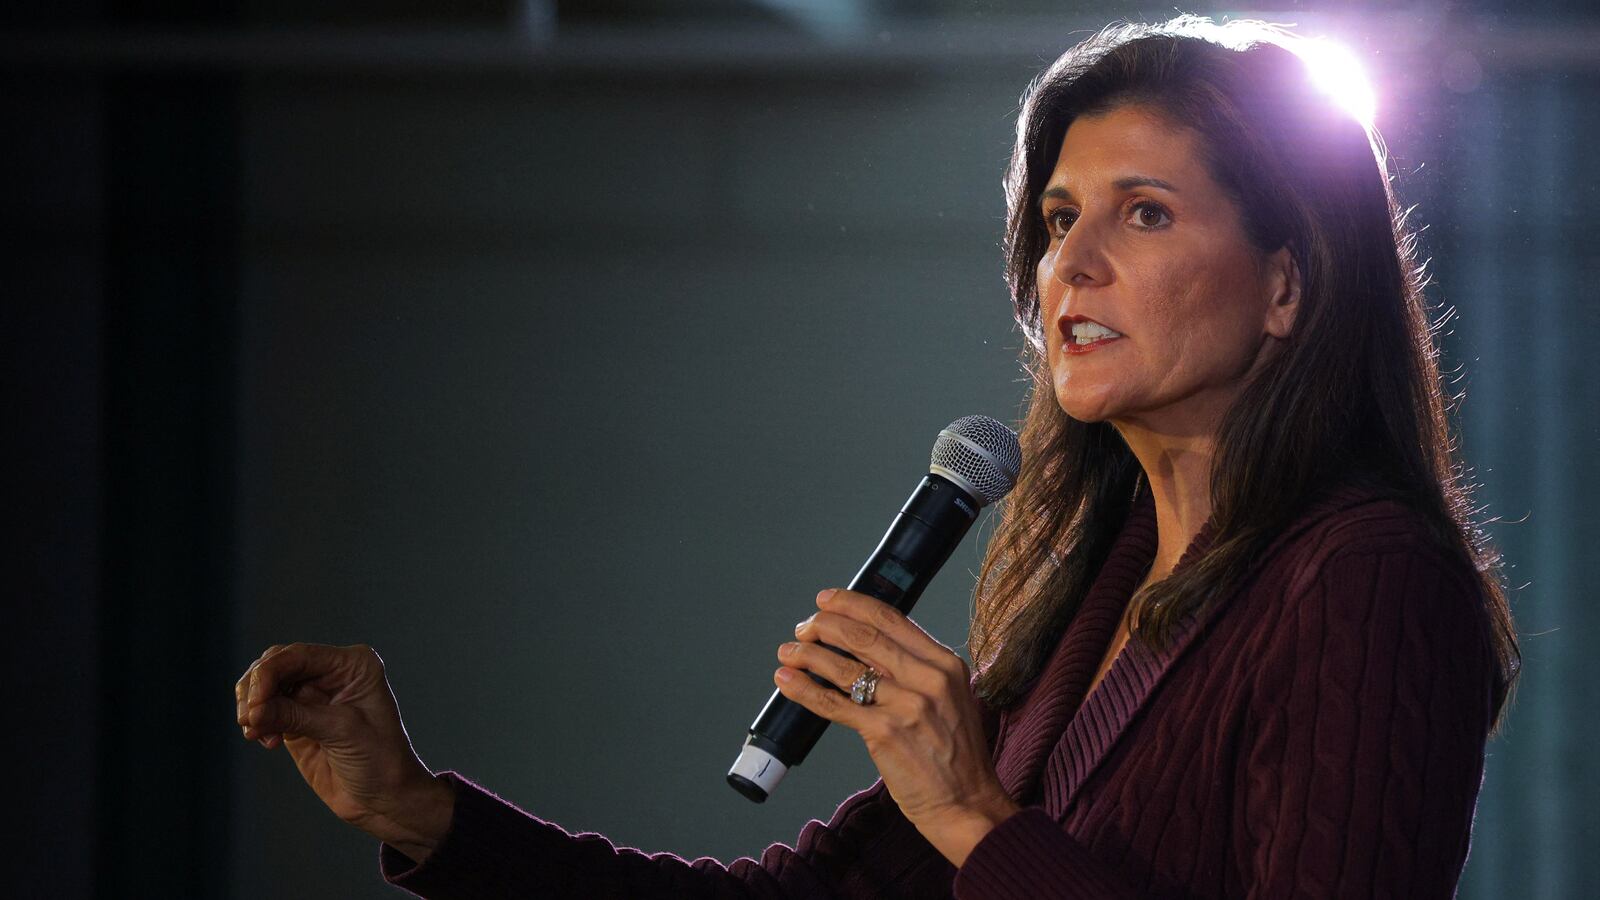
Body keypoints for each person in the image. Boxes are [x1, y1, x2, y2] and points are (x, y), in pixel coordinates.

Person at [234, 15, 1521, 898]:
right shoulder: (1101, 592)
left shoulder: (1364, 578)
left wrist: (973, 818)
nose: (1070, 265)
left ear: (1288, 283)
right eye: (1060, 217)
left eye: (1145, 213)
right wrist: (419, 813)